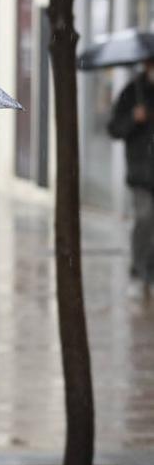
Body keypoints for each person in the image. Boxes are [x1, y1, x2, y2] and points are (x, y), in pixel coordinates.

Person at [108, 59, 154, 292]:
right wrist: (133, 119)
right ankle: (140, 266)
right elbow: (114, 128)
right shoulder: (133, 92)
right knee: (145, 217)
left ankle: (149, 266)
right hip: (141, 171)